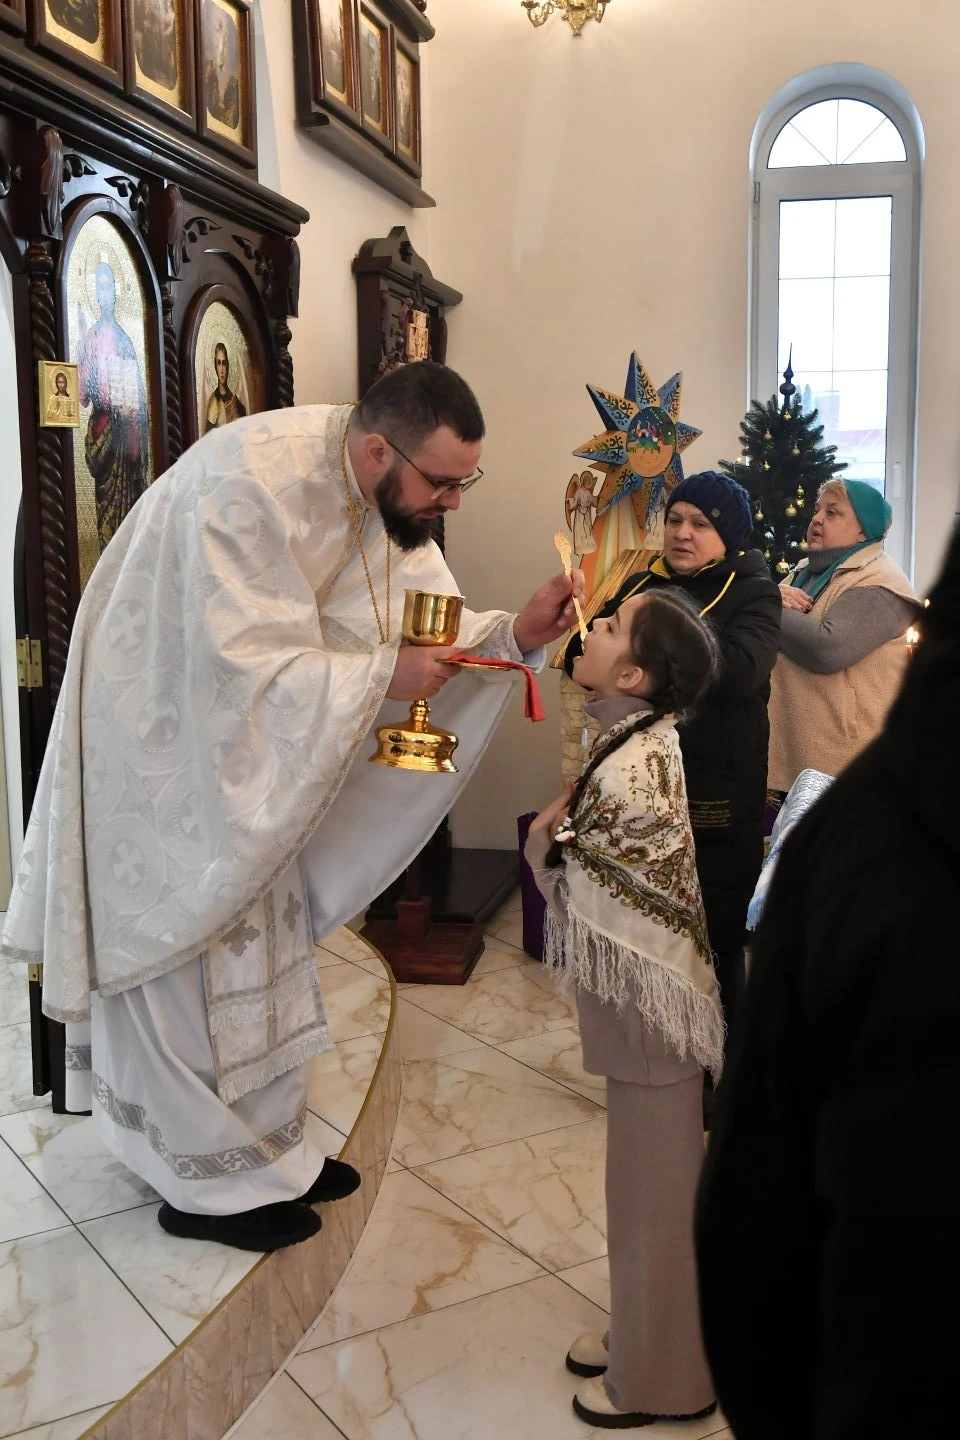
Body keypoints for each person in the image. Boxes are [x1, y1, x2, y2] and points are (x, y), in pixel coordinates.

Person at [1, 363, 582, 1253]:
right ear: (379, 447)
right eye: (443, 482)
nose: (453, 503)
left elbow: (415, 620)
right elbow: (228, 667)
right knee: (185, 958)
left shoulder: (389, 498)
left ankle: (268, 1156)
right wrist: (379, 677)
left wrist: (515, 634)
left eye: (467, 481)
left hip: (248, 768)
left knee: (260, 950)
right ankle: (200, 1180)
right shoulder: (246, 486)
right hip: (166, 749)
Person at [695, 521, 960, 1440]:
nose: (816, 515)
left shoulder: (874, 589)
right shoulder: (864, 851)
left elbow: (756, 1199)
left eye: (834, 505)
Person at [526, 588, 723, 1430]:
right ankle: (643, 1333)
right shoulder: (635, 736)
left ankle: (664, 1380)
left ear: (635, 673)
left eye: (607, 628)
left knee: (654, 1194)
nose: (590, 630)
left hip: (651, 1010)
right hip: (644, 1012)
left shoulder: (637, 764)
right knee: (639, 1188)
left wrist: (547, 841)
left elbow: (598, 878)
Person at [564, 471, 781, 1041]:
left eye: (700, 525)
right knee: (649, 928)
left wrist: (658, 639)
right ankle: (664, 1051)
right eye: (675, 519)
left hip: (715, 783)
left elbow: (739, 671)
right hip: (641, 779)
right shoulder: (640, 579)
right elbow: (581, 653)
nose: (682, 534)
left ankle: (726, 1069)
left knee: (716, 933)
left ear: (728, 536)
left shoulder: (752, 586)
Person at [768, 477, 919, 794]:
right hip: (798, 751)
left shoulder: (879, 582)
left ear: (863, 530)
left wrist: (761, 602)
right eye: (817, 509)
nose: (817, 519)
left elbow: (827, 648)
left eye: (833, 513)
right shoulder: (804, 570)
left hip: (847, 766)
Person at [77, 261, 149, 551]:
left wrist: (132, 414)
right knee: (107, 515)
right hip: (105, 433)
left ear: (116, 293)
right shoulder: (91, 338)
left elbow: (140, 397)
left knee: (129, 516)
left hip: (126, 433)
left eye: (108, 287)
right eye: (99, 288)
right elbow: (81, 394)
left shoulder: (126, 340)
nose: (104, 294)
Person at [205, 342, 248, 432]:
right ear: (215, 366)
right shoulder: (212, 403)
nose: (222, 370)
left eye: (224, 363)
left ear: (228, 365)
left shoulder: (237, 403)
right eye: (218, 363)